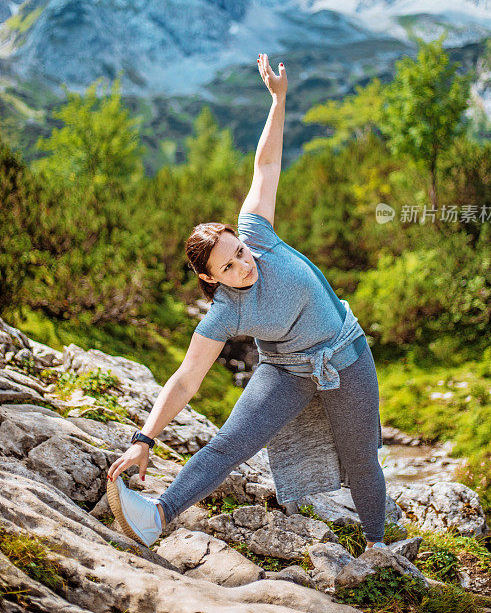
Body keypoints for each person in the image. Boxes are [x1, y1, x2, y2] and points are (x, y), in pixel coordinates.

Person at [106, 53, 387, 552]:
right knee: (230, 444)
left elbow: (267, 163)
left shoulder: (259, 233)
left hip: (346, 356)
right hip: (284, 370)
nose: (244, 265)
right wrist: (144, 439)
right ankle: (157, 515)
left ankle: (381, 549)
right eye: (228, 267)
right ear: (210, 279)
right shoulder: (225, 313)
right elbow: (187, 378)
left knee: (361, 457)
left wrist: (278, 100)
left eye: (238, 252)